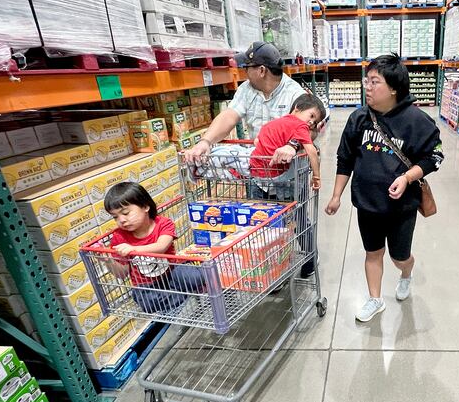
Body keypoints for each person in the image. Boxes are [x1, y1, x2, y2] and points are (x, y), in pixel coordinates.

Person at [324, 54, 445, 322]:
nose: (367, 86)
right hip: (367, 203)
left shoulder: (417, 121)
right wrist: (336, 196)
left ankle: (406, 273)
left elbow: (434, 158)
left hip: (402, 207)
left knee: (399, 256)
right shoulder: (358, 119)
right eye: (366, 80)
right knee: (372, 253)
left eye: (374, 81)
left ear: (393, 88)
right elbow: (345, 158)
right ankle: (375, 299)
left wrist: (407, 178)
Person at [185, 41, 315, 166]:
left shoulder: (295, 94)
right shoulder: (246, 89)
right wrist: (205, 141)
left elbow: (312, 129)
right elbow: (229, 116)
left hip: (288, 174)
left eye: (246, 67)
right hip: (257, 170)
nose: (244, 71)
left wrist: (292, 145)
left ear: (262, 71)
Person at [104, 182, 205, 313]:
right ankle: (183, 295)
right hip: (147, 285)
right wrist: (108, 261)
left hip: (172, 273)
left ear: (145, 206)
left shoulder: (163, 223)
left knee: (193, 275)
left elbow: (161, 247)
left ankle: (178, 295)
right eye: (115, 217)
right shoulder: (119, 237)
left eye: (126, 213)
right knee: (145, 301)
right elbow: (122, 274)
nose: (121, 220)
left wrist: (132, 249)